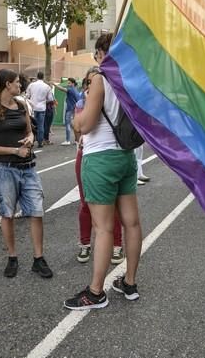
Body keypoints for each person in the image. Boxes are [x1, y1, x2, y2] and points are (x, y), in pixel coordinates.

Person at [64, 34, 142, 310]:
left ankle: (96, 292)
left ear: (100, 54)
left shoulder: (101, 79)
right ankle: (129, 282)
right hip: (125, 156)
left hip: (100, 159)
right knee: (131, 223)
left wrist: (77, 115)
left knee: (104, 227)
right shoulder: (131, 80)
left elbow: (85, 125)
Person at [0, 69, 53, 279]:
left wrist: (30, 139)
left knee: (37, 212)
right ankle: (12, 257)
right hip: (3, 169)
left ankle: (38, 259)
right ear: (6, 85)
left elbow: (29, 131)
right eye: (16, 83)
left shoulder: (21, 105)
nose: (20, 86)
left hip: (28, 167)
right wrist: (15, 151)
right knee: (7, 214)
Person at [74, 69, 124, 264]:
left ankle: (117, 246)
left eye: (94, 81)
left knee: (114, 206)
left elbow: (83, 125)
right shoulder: (81, 103)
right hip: (86, 156)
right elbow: (79, 130)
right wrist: (79, 138)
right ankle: (85, 244)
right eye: (88, 81)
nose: (90, 85)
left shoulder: (113, 99)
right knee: (85, 203)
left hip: (107, 156)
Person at [25, 71, 51, 148]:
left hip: (32, 108)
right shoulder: (47, 87)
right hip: (42, 108)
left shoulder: (31, 85)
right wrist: (43, 100)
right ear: (43, 77)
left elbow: (27, 95)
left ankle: (31, 141)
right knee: (41, 126)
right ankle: (40, 142)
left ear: (37, 76)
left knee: (32, 125)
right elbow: (50, 99)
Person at [53, 78, 81, 146]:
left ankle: (68, 140)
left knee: (68, 124)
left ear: (73, 84)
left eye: (69, 83)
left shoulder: (70, 89)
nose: (68, 84)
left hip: (70, 109)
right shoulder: (76, 90)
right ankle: (77, 140)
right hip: (75, 109)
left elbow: (62, 89)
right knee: (74, 124)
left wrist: (55, 85)